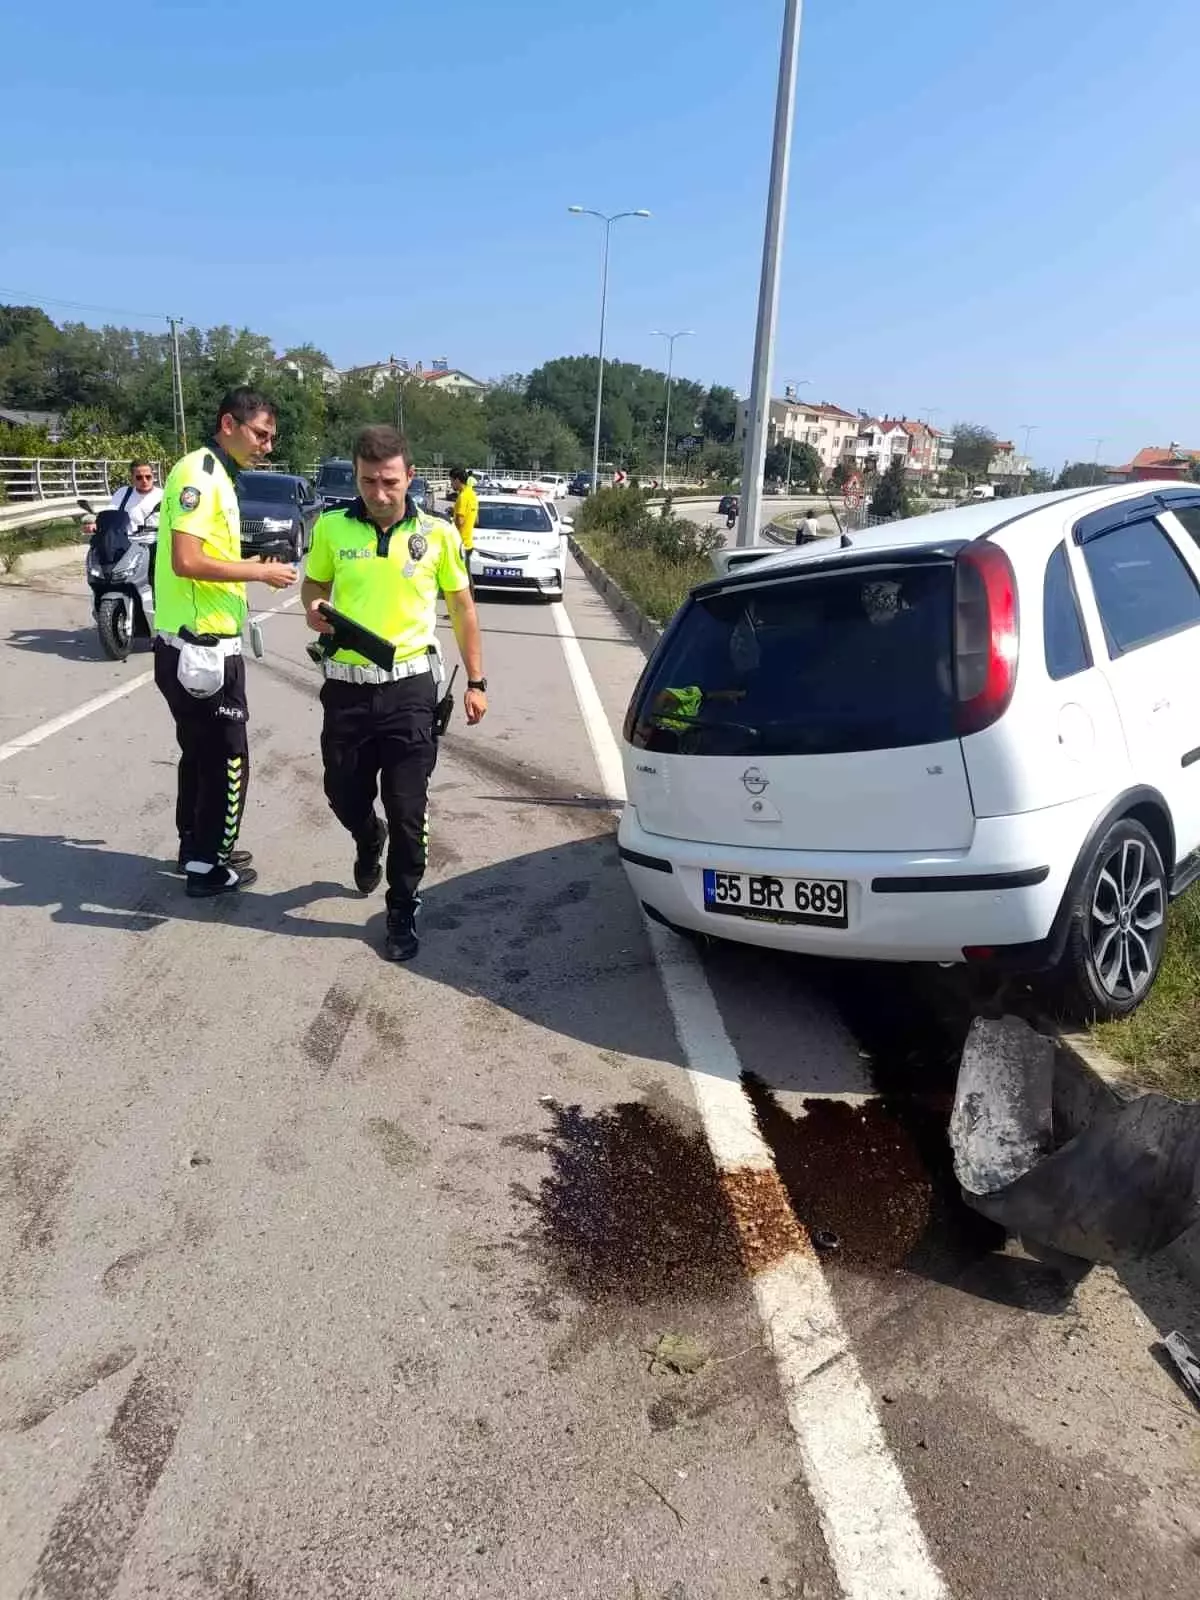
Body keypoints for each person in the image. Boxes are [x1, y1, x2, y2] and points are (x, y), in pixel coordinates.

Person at [302, 425, 487, 963]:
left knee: (409, 809)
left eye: (388, 481)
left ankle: (402, 904)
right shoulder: (333, 529)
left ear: (409, 476)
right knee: (343, 793)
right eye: (367, 482)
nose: (378, 494)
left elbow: (462, 609)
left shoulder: (439, 535)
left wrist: (476, 682)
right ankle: (367, 838)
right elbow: (313, 586)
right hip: (347, 691)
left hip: (410, 690)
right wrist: (313, 607)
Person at [153, 387, 298, 898]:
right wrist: (261, 576)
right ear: (228, 424)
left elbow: (207, 559)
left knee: (198, 753)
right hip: (200, 647)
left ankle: (196, 846)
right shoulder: (200, 474)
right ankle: (209, 867)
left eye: (271, 437)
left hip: (198, 642)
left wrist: (248, 567)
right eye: (260, 434)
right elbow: (186, 560)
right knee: (228, 757)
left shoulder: (218, 474)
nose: (266, 446)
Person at [83, 459, 163, 535]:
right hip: (127, 544)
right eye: (139, 477)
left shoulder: (163, 496)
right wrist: (95, 524)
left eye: (148, 477)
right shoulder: (123, 493)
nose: (144, 480)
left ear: (153, 476)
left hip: (156, 543)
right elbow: (109, 515)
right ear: (132, 478)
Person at [448, 465, 478, 590]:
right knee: (465, 574)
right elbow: (476, 520)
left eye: (451, 481)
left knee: (461, 577)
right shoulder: (472, 495)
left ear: (457, 480)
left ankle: (467, 603)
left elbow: (459, 521)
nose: (451, 484)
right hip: (468, 542)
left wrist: (451, 520)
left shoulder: (462, 497)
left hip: (460, 543)